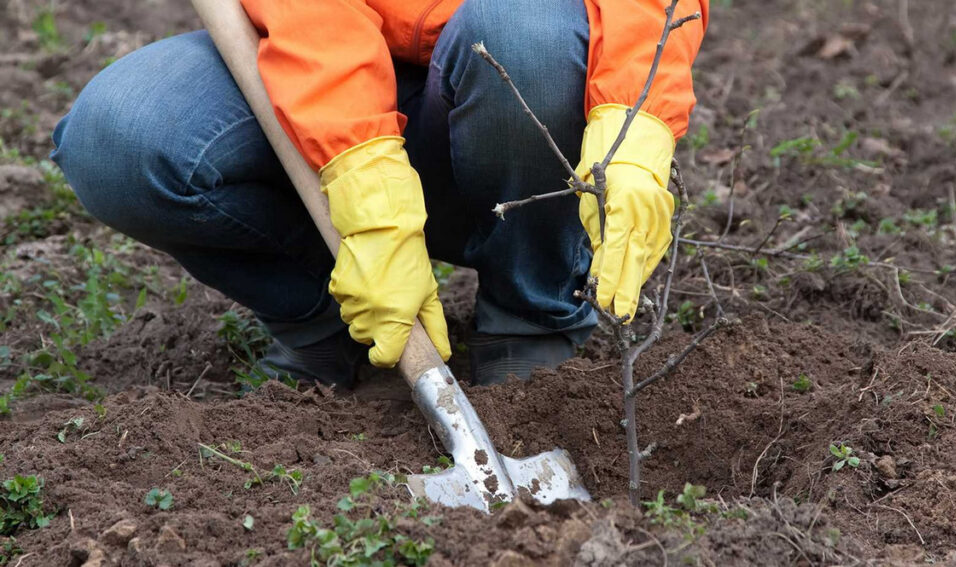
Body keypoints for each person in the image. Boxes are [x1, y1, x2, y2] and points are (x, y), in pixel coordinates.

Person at [51, 0, 708, 387]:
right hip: (327, 66)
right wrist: (364, 188)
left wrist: (632, 113)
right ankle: (328, 323)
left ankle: (532, 316)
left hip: (517, 80)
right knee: (121, 133)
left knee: (520, 33)